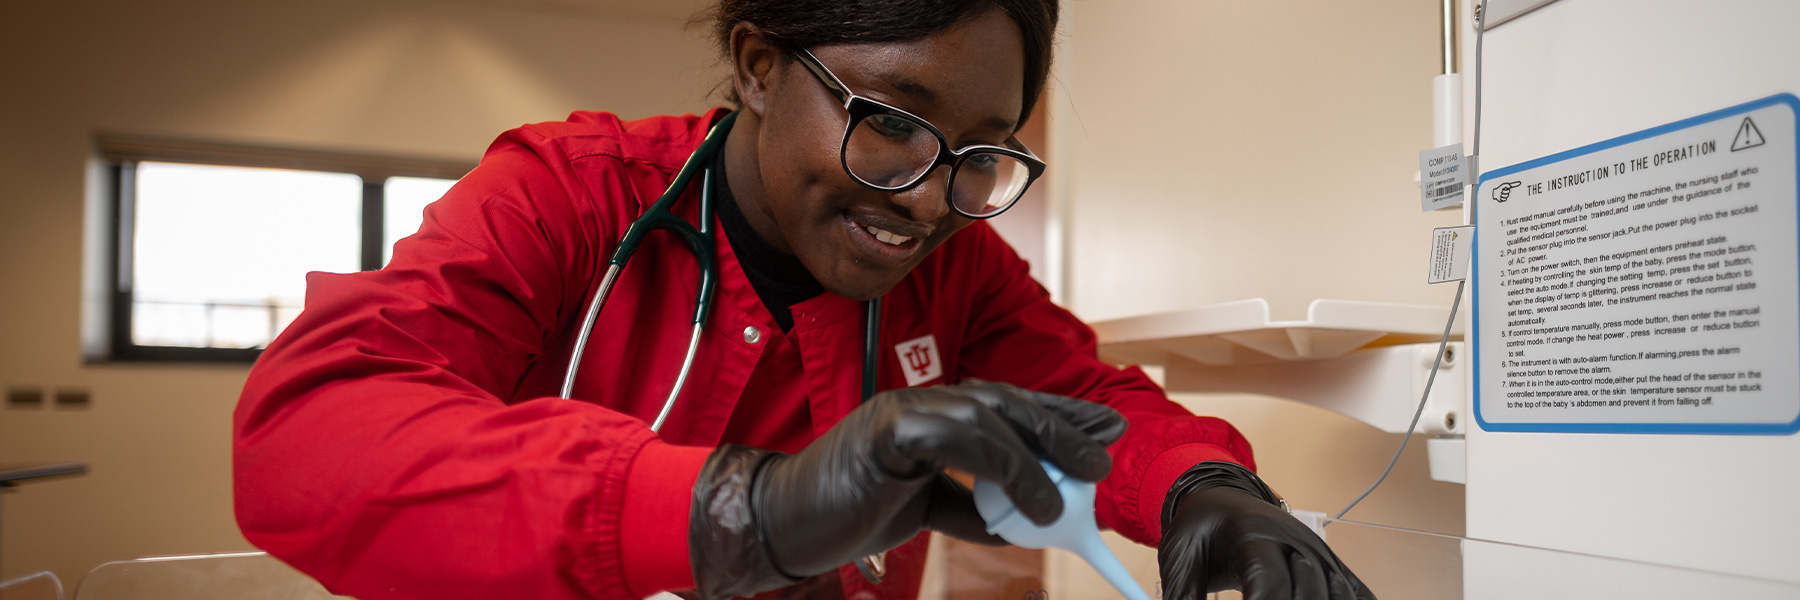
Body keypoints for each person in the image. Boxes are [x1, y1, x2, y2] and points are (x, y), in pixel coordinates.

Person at [232, 1, 1372, 599]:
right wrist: (750, 512)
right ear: (758, 64)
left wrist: (1198, 483)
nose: (928, 201)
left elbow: (1086, 398)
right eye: (890, 120)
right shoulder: (568, 197)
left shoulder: (956, 271)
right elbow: (305, 438)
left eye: (982, 152)